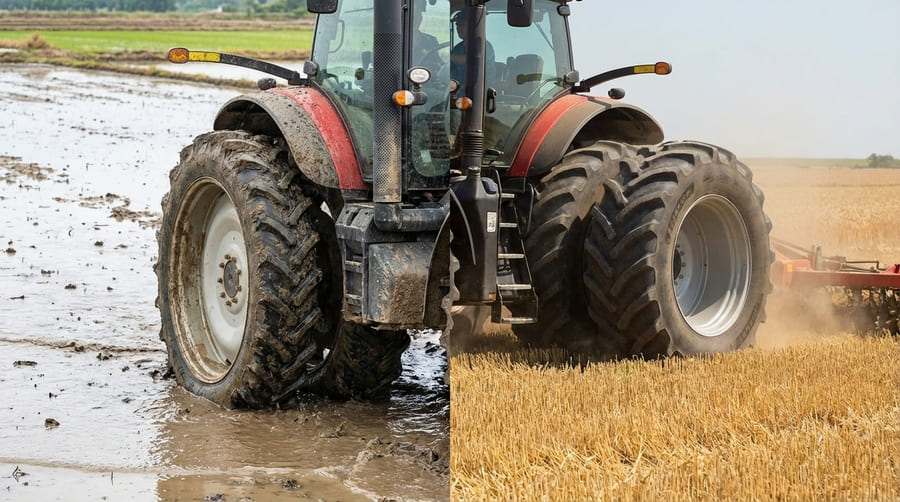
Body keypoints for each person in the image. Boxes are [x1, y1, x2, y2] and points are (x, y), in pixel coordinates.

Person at [449, 8, 496, 95]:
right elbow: (450, 70)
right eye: (457, 25)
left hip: (480, 94)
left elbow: (468, 60)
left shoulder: (484, 46)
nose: (458, 28)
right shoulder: (457, 49)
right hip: (457, 92)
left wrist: (446, 56)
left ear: (472, 26)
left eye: (462, 25)